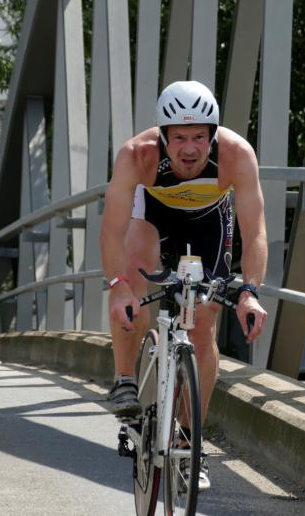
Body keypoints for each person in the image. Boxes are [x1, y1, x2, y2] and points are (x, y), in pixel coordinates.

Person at [100, 80, 268, 490]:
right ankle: (125, 378)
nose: (189, 149)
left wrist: (250, 292)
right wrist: (119, 286)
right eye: (178, 138)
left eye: (198, 137)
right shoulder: (137, 155)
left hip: (209, 220)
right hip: (153, 213)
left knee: (203, 322)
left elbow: (256, 231)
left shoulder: (236, 155)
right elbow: (112, 230)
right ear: (162, 136)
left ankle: (190, 440)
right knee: (134, 275)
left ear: (213, 135)